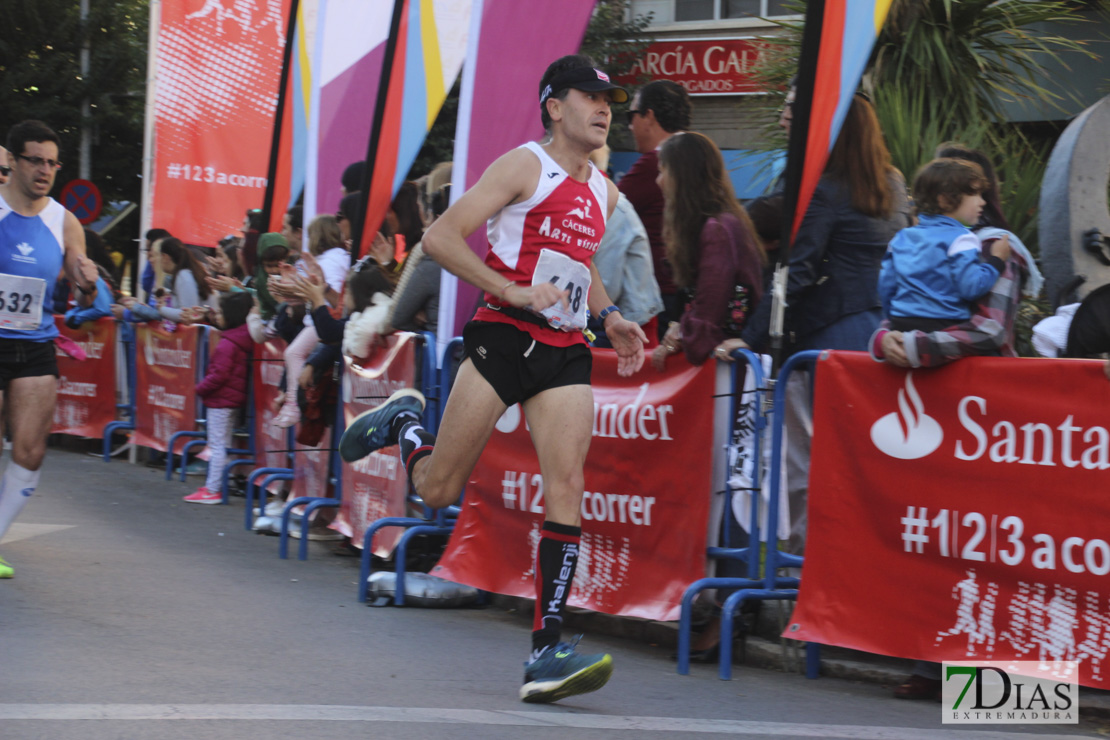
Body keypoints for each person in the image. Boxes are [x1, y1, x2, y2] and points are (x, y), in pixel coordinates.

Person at [339, 54, 645, 703]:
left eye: (609, 99)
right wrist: (510, 288)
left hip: (564, 348)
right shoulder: (524, 166)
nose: (604, 107)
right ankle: (404, 421)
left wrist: (610, 315)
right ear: (554, 105)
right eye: (589, 96)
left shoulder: (605, 188)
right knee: (437, 490)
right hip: (503, 335)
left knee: (567, 483)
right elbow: (442, 238)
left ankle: (546, 652)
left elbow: (581, 264)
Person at [719, 93, 912, 559]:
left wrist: (748, 338)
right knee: (861, 465)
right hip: (880, 341)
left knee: (807, 464)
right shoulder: (894, 184)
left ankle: (809, 574)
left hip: (821, 344)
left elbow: (797, 274)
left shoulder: (826, 189)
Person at [0, 120, 100, 579]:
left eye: (51, 163)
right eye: (35, 160)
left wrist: (86, 284)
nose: (44, 170)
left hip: (35, 344)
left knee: (30, 451)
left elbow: (83, 293)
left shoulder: (64, 220)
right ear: (15, 162)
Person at [650, 132, 764, 371]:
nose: (658, 181)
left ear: (682, 176)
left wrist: (680, 333)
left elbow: (710, 308)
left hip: (730, 367)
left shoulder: (717, 229)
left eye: (663, 171)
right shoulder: (719, 223)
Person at [878, 158, 1011, 344]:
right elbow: (971, 288)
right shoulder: (962, 238)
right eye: (975, 194)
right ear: (945, 200)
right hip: (944, 325)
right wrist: (997, 260)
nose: (982, 202)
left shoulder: (902, 237)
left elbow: (886, 285)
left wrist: (891, 320)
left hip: (900, 322)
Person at [619, 79, 692, 335]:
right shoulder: (700, 155)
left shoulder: (654, 163)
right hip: (690, 289)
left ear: (648, 116)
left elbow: (603, 211)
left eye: (632, 115)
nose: (630, 125)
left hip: (657, 295)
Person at [184, 291, 256, 504]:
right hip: (231, 400)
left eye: (221, 312)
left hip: (220, 400)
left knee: (216, 445)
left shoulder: (227, 344)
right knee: (223, 443)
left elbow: (218, 375)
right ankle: (219, 484)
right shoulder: (241, 339)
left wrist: (200, 388)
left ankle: (213, 489)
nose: (217, 316)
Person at [587, 145, 661, 346]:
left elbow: (605, 282)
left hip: (628, 328)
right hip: (608, 322)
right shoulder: (590, 201)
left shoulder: (610, 205)